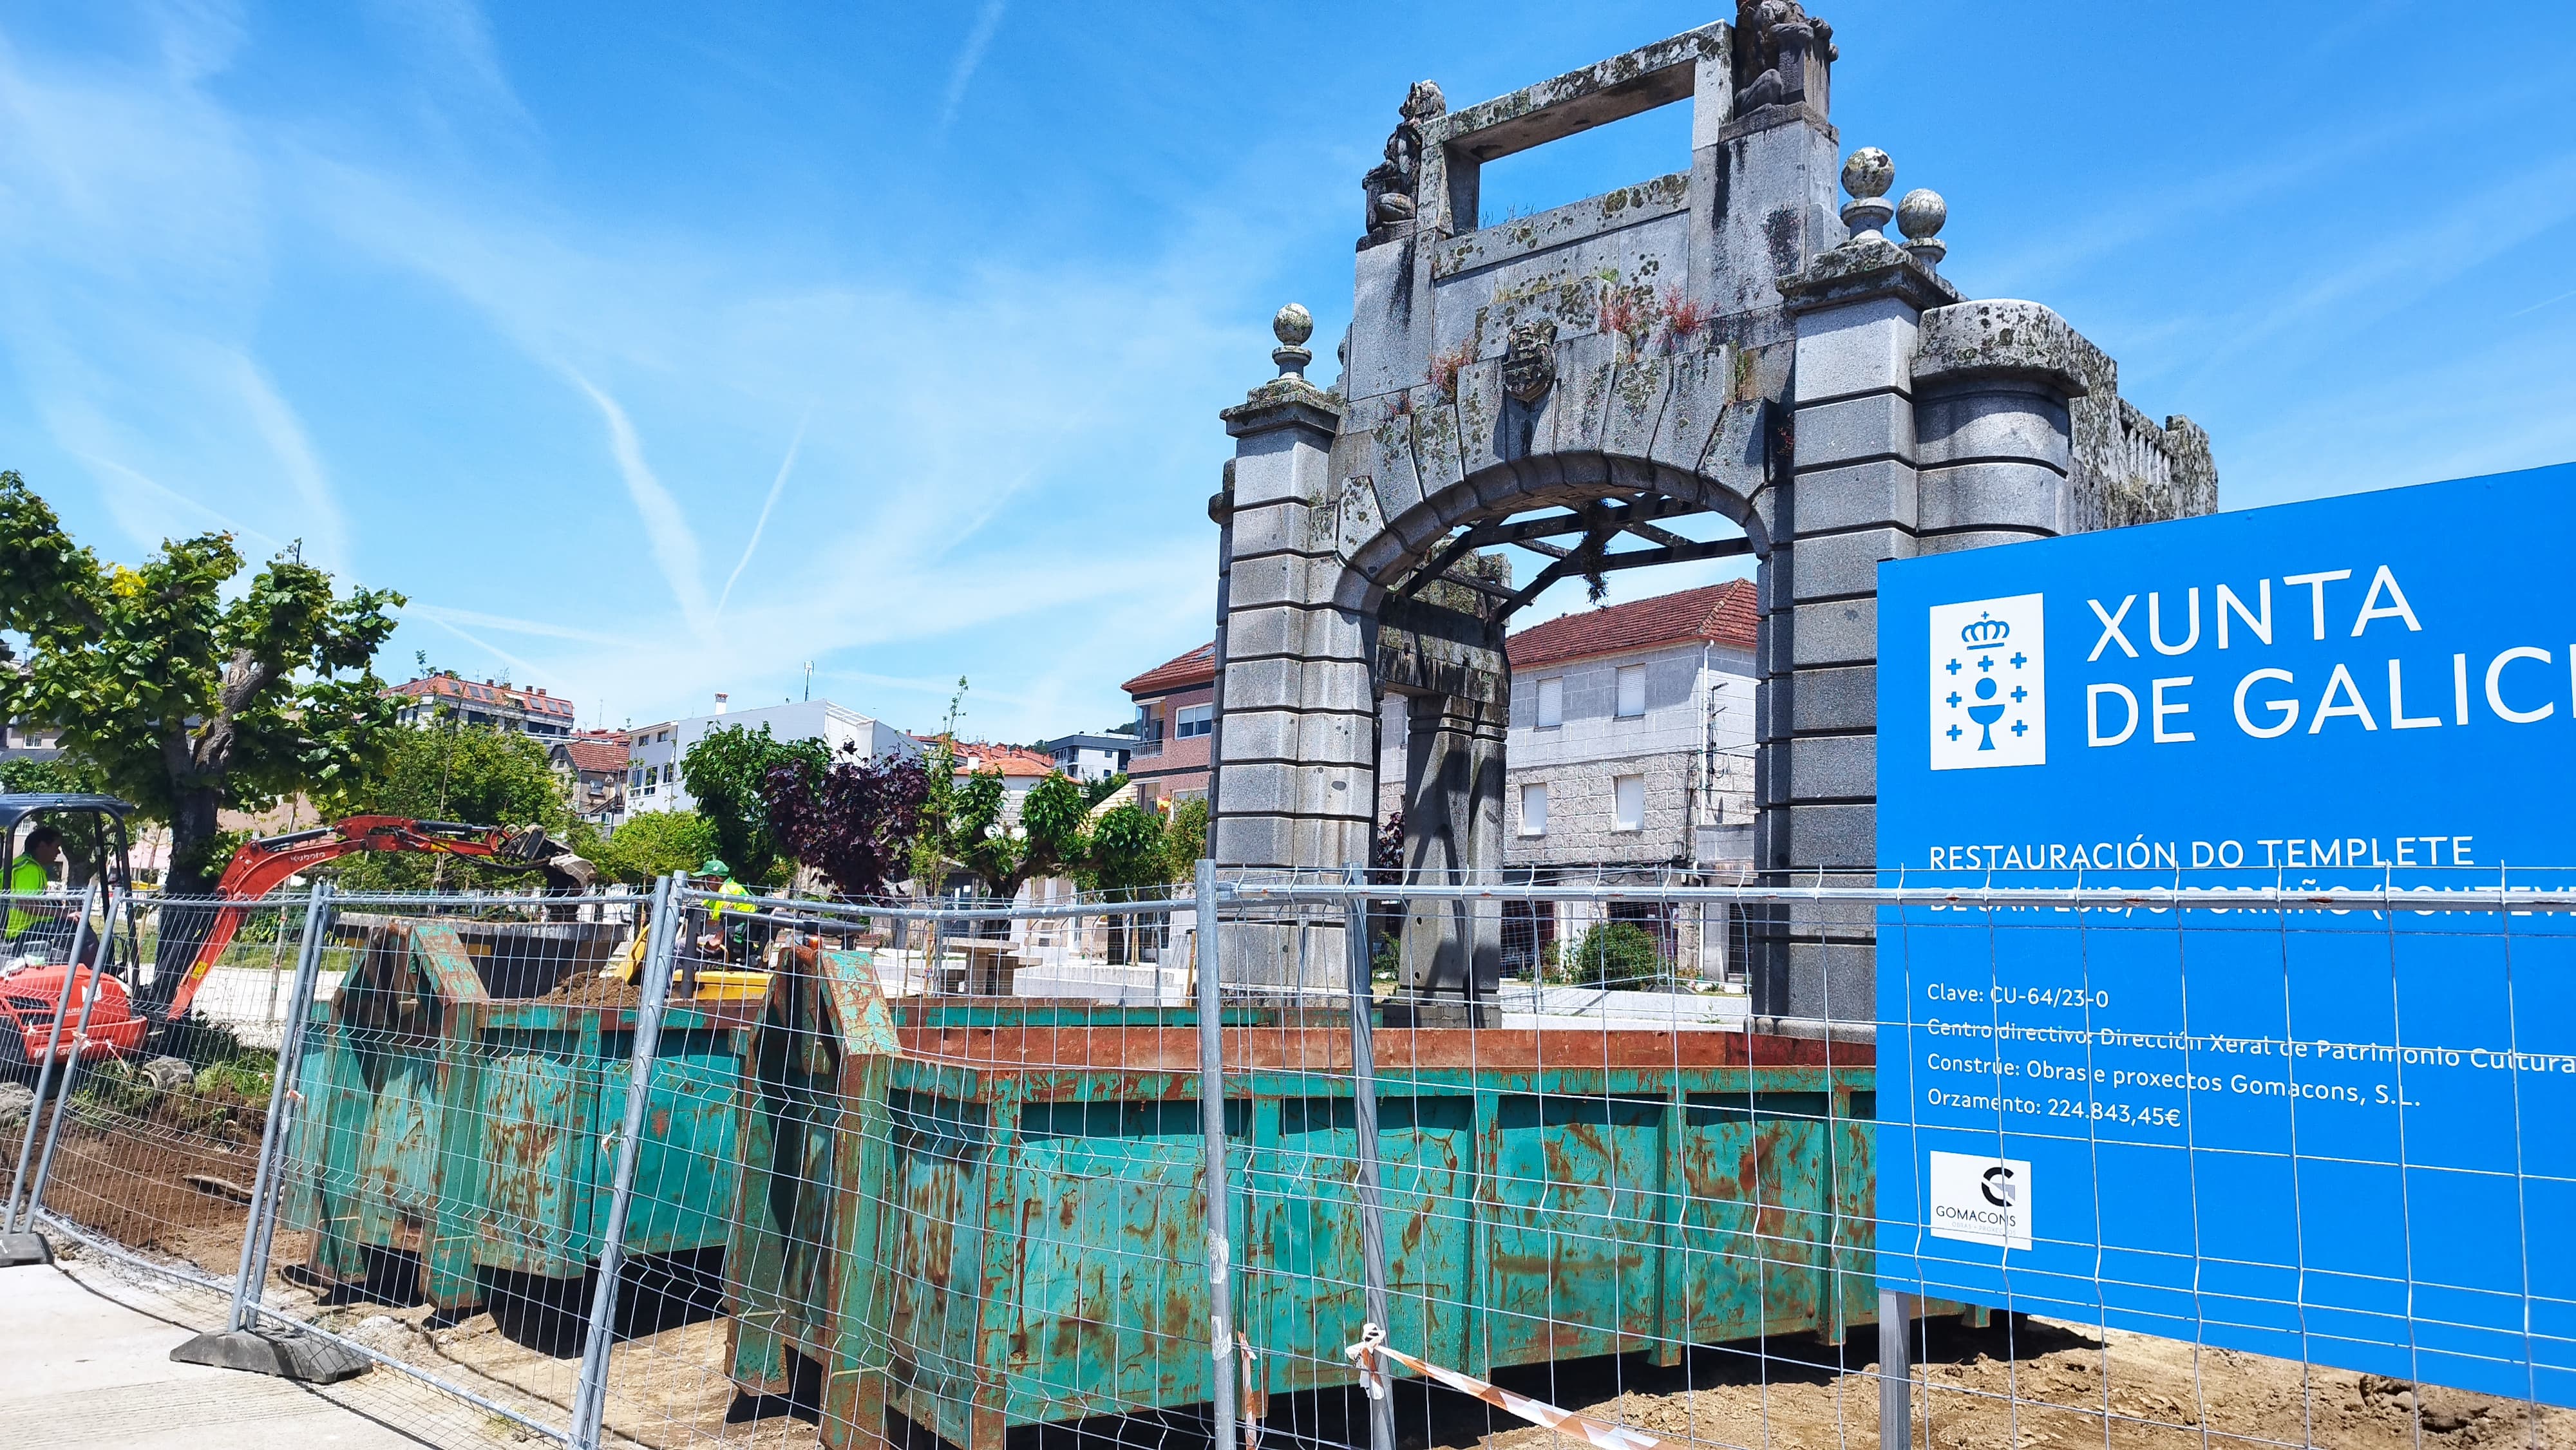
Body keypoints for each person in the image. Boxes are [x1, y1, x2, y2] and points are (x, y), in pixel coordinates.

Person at [6, 825, 64, 950]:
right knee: (74, 927)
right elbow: (26, 904)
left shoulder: (22, 863)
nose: (58, 852)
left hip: (23, 927)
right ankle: (89, 968)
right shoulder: (29, 869)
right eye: (56, 847)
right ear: (42, 846)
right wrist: (64, 915)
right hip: (21, 930)